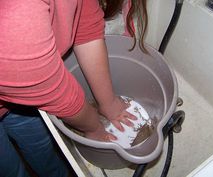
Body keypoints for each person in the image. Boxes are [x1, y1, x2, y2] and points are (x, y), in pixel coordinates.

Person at [0, 0, 148, 176]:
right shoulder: (15, 16)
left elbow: (84, 21)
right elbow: (55, 93)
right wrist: (94, 128)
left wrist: (108, 102)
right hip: (24, 76)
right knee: (11, 169)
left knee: (42, 146)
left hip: (26, 96)